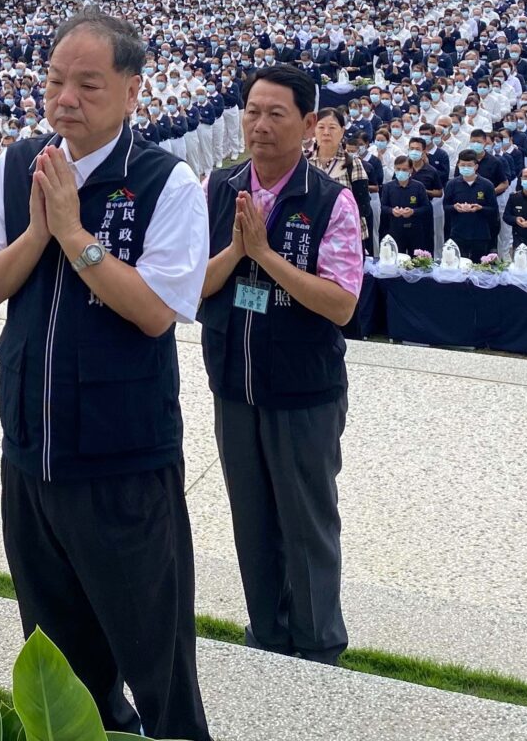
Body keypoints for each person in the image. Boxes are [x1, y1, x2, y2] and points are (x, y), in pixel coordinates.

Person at [0, 10, 213, 741]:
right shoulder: (21, 167)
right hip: (31, 455)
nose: (64, 98)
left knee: (157, 662)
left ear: (133, 92)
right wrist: (39, 231)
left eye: (87, 85)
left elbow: (156, 312)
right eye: (54, 80)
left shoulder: (165, 182)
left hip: (123, 463)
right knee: (61, 668)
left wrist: (74, 235)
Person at [200, 63, 360, 665]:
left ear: (308, 124)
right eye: (252, 112)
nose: (260, 126)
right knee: (252, 519)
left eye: (276, 114)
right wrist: (238, 251)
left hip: (303, 391)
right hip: (234, 385)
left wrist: (264, 256)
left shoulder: (328, 201)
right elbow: (194, 287)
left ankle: (318, 644)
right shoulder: (220, 188)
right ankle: (265, 632)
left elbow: (341, 303)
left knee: (307, 523)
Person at [442, 147, 501, 259]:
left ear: (476, 166)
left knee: (479, 266)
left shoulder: (487, 185)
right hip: (458, 232)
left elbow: (493, 209)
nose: (466, 168)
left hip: (480, 233)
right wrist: (455, 207)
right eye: (463, 165)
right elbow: (446, 206)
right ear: (458, 165)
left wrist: (480, 208)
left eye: (469, 165)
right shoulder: (452, 184)